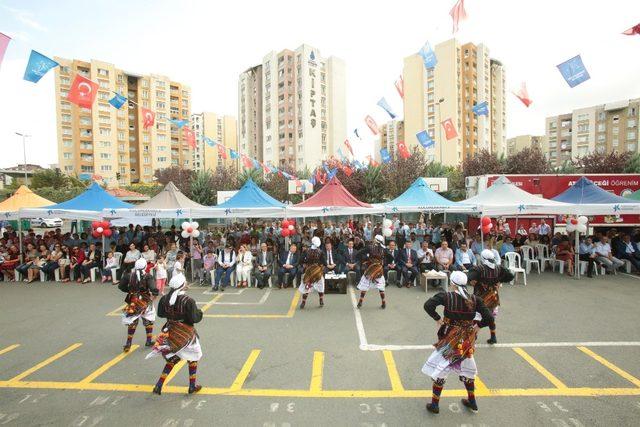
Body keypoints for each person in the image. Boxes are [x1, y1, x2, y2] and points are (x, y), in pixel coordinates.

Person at [422, 271, 494, 414]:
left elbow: (428, 305)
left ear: (452, 283)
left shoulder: (446, 296)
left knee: (442, 366)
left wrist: (437, 318)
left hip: (449, 337)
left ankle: (435, 404)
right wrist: (478, 326)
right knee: (468, 366)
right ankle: (472, 401)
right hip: (467, 339)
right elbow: (489, 317)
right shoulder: (475, 299)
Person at [149, 273, 203, 395]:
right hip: (186, 333)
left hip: (171, 331)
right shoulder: (188, 301)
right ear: (183, 285)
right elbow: (194, 318)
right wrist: (200, 312)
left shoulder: (164, 299)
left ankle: (159, 385)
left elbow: (161, 314)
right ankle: (192, 386)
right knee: (193, 357)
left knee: (172, 359)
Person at [467, 250, 514, 345]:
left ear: (482, 258)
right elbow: (511, 276)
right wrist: (499, 281)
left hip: (481, 297)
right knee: (491, 316)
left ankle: (474, 335)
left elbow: (469, 277)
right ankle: (493, 336)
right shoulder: (499, 268)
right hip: (493, 297)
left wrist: (472, 281)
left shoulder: (479, 269)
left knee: (476, 317)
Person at [118, 258, 158, 352]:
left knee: (132, 320)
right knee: (148, 319)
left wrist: (130, 291)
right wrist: (154, 296)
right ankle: (148, 340)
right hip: (145, 300)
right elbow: (153, 289)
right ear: (145, 266)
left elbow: (121, 286)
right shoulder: (148, 276)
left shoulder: (129, 275)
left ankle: (128, 343)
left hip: (133, 300)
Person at [356, 235, 387, 309]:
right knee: (380, 287)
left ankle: (360, 301)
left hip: (370, 267)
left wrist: (365, 259)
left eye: (374, 239)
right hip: (379, 268)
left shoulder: (369, 247)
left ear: (376, 240)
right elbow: (390, 257)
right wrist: (383, 263)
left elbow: (358, 253)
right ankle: (383, 302)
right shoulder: (384, 249)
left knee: (365, 284)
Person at [299, 237, 325, 309]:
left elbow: (300, 261)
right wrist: (320, 265)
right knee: (321, 285)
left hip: (309, 271)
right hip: (317, 271)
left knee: (306, 285)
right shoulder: (321, 252)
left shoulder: (306, 251)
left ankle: (303, 302)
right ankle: (321, 300)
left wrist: (304, 264)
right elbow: (324, 262)